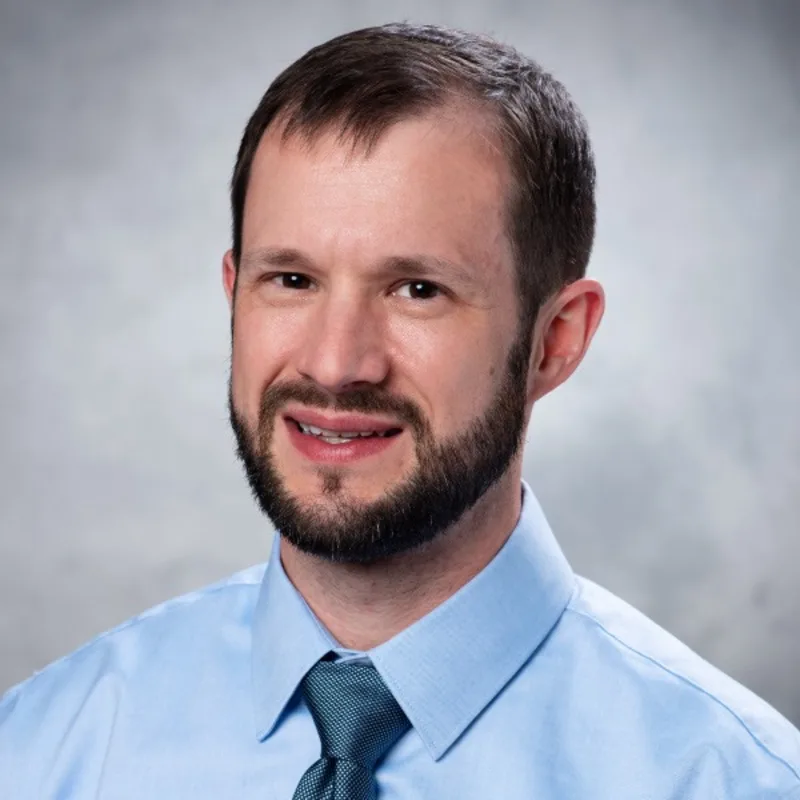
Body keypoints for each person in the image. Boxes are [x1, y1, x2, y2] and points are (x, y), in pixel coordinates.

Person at [1, 21, 798, 799]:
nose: (335, 364)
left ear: (554, 341)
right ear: (234, 294)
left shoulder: (730, 777)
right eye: (291, 280)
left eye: (418, 290)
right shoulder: (43, 749)